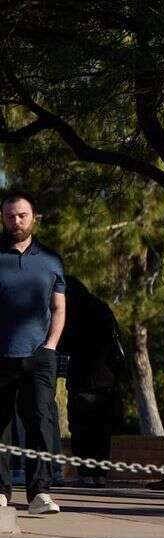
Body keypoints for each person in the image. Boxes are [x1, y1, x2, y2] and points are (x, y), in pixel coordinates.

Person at [0, 190, 66, 514]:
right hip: (1, 357)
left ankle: (40, 493)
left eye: (22, 215)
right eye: (10, 216)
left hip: (40, 356)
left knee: (40, 421)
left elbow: (59, 308)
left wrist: (51, 344)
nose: (16, 221)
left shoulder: (52, 260)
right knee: (0, 424)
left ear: (34, 217)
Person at [59, 273, 131, 485]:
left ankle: (86, 473)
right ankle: (100, 474)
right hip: (105, 378)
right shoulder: (102, 309)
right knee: (102, 431)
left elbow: (64, 345)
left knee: (81, 429)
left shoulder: (72, 314)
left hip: (82, 378)